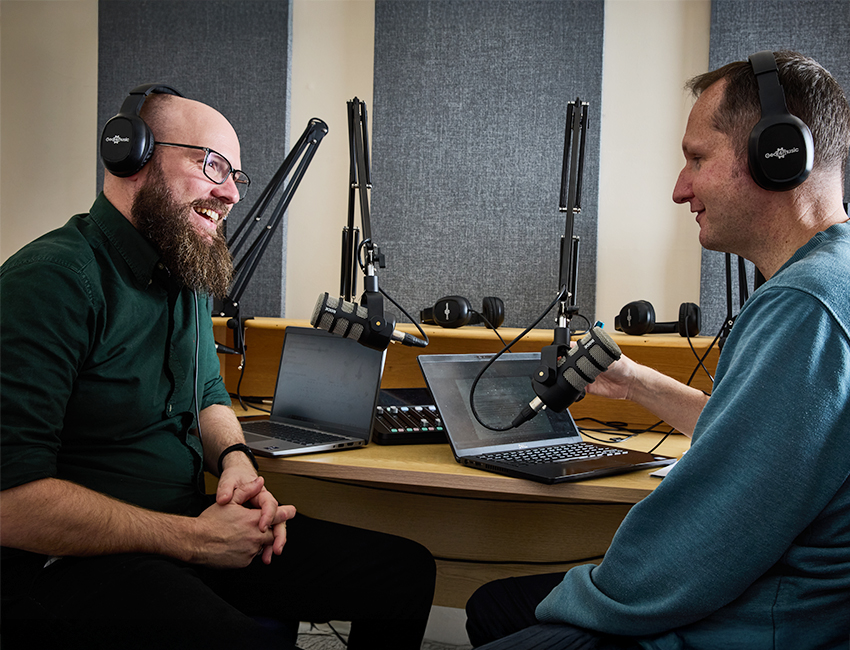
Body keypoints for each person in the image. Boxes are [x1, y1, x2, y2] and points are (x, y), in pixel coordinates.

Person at [0, 86, 435, 649]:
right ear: (132, 154)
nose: (230, 193)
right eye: (213, 166)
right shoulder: (53, 281)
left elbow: (207, 393)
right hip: (74, 562)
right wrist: (195, 541)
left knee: (402, 572)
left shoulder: (183, 269)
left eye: (236, 176)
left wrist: (236, 463)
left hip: (182, 529)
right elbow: (11, 503)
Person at [465, 50, 850, 649]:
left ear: (776, 153)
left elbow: (707, 535)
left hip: (754, 625)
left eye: (696, 158)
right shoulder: (834, 280)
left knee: (520, 614)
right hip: (778, 605)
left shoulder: (804, 305)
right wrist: (640, 382)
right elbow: (771, 449)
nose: (679, 189)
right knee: (496, 606)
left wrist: (578, 593)